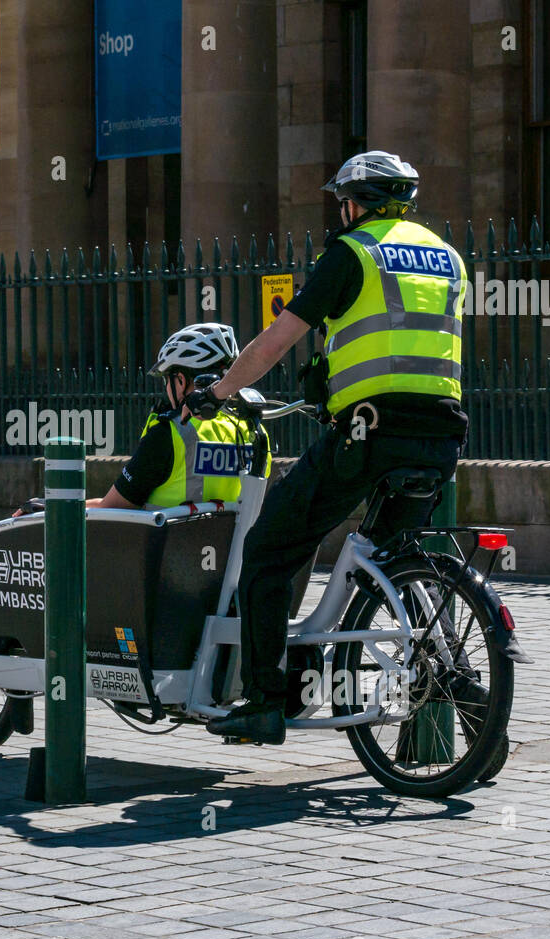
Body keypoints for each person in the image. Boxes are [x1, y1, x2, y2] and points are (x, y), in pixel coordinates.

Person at [185, 151, 469, 744]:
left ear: (354, 202)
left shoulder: (353, 253)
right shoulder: (448, 258)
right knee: (388, 556)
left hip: (369, 433)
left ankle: (263, 702)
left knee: (268, 548)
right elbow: (405, 349)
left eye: (341, 202)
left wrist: (219, 390)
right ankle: (456, 678)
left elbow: (275, 341)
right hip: (442, 432)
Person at [87, 323, 270, 511]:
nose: (167, 388)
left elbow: (112, 509)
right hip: (233, 541)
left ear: (181, 380)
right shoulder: (255, 433)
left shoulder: (169, 434)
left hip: (167, 540)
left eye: (168, 379)